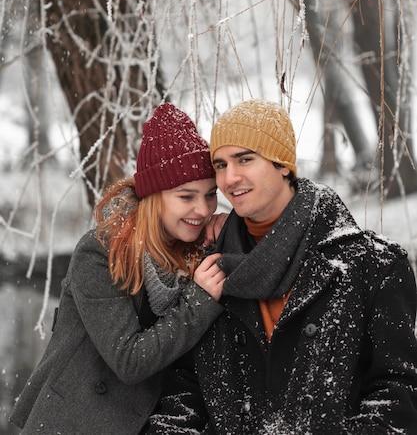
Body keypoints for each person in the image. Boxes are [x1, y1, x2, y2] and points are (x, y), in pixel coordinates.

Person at [192, 99, 417, 434]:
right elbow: (183, 389)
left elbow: (398, 397)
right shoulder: (208, 270)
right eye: (221, 165)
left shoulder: (372, 267)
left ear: (283, 164)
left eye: (245, 159)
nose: (230, 178)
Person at [9, 103, 226, 434]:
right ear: (154, 196)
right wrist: (198, 303)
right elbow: (130, 360)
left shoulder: (194, 247)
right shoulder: (100, 253)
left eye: (210, 195)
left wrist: (231, 230)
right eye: (186, 197)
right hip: (74, 422)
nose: (202, 208)